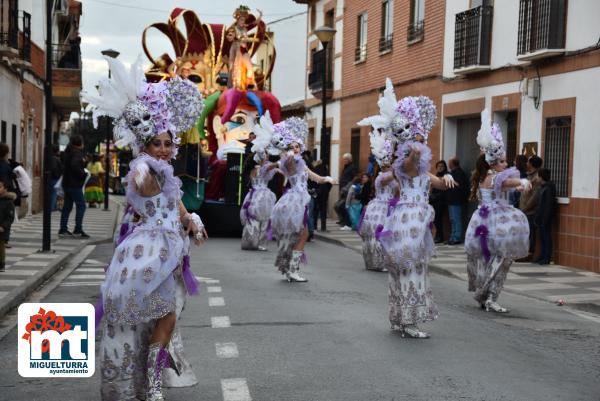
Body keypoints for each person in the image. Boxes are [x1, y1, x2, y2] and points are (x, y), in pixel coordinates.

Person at [82, 56, 205, 401]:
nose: (163, 149)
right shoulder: (144, 168)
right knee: (154, 316)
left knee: (168, 315)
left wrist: (192, 220)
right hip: (145, 253)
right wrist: (144, 169)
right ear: (145, 146)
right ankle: (149, 385)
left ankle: (151, 380)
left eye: (168, 144)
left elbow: (178, 207)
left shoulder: (168, 176)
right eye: (157, 144)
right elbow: (141, 181)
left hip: (170, 253)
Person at [369, 85, 454, 338]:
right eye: (405, 130)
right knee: (408, 268)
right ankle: (407, 321)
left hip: (418, 220)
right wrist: (411, 139)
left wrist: (446, 177)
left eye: (412, 128)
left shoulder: (420, 166)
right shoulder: (404, 165)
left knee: (414, 267)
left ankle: (401, 318)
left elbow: (435, 182)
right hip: (407, 221)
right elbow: (412, 161)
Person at [465, 110, 530, 313]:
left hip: (484, 221)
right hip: (497, 222)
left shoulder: (485, 177)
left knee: (489, 258)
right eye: (502, 161)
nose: (506, 163)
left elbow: (504, 187)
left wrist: (517, 186)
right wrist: (521, 181)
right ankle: (490, 296)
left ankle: (484, 294)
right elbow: (506, 182)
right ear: (493, 162)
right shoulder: (496, 177)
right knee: (501, 259)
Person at [269, 117, 334, 282]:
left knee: (300, 235)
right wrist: (286, 157)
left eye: (297, 146)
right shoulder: (289, 162)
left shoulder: (303, 164)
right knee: (301, 234)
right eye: (292, 147)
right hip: (294, 201)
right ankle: (292, 269)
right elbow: (288, 168)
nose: (295, 149)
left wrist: (327, 178)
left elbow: (315, 177)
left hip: (301, 200)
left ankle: (290, 268)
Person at [355, 128, 398, 272]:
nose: (390, 165)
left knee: (388, 235)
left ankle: (384, 261)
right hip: (380, 208)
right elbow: (394, 177)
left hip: (390, 206)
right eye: (388, 163)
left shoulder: (389, 175)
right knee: (378, 234)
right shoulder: (382, 177)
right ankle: (377, 262)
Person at [240, 113, 279, 251]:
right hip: (261, 197)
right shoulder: (261, 168)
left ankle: (253, 241)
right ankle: (257, 242)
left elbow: (273, 169)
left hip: (254, 196)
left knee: (257, 220)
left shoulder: (256, 168)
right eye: (265, 155)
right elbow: (272, 167)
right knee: (261, 220)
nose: (267, 156)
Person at [59, 135, 89, 238]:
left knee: (67, 207)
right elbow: (75, 165)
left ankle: (63, 229)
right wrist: (83, 174)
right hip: (74, 184)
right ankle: (78, 230)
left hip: (67, 183)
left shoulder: (68, 152)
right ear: (80, 143)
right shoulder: (77, 153)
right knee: (81, 206)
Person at [519, 154, 543, 259]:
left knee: (530, 233)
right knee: (525, 232)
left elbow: (534, 197)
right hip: (524, 210)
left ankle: (529, 253)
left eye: (528, 162)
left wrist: (524, 209)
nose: (526, 163)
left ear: (532, 164)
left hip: (530, 211)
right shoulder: (529, 176)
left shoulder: (536, 178)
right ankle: (524, 252)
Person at [534, 168, 556, 265]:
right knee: (542, 237)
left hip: (545, 218)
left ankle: (547, 257)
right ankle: (542, 256)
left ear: (541, 177)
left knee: (546, 237)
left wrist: (545, 218)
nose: (537, 178)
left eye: (538, 176)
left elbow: (548, 205)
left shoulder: (548, 188)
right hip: (541, 217)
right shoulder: (542, 187)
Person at [446, 157, 469, 244]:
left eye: (449, 163)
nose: (448, 164)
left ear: (453, 163)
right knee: (452, 219)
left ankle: (457, 237)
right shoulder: (453, 173)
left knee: (456, 219)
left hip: (456, 200)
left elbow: (459, 186)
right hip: (452, 200)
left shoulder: (459, 173)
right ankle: (452, 236)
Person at [334, 153, 357, 230]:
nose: (344, 161)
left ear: (349, 159)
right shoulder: (346, 167)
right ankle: (343, 221)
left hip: (348, 190)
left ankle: (348, 223)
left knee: (344, 206)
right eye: (343, 159)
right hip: (343, 189)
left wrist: (347, 188)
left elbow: (354, 179)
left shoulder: (352, 167)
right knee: (339, 206)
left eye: (345, 159)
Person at [430, 160, 448, 243]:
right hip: (434, 202)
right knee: (435, 220)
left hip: (441, 202)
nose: (440, 168)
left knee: (438, 220)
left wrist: (434, 197)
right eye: (439, 166)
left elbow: (444, 190)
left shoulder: (446, 176)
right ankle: (437, 236)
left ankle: (439, 236)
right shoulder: (436, 176)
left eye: (442, 166)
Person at [0, 178, 15, 272]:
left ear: (5, 189)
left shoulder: (8, 202)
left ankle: (1, 264)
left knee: (0, 247)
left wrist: (3, 226)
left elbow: (10, 217)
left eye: (0, 187)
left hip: (2, 229)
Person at [312, 159, 331, 232]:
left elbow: (312, 181)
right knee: (323, 210)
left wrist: (314, 190)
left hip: (316, 192)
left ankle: (314, 226)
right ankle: (323, 227)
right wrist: (327, 190)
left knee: (315, 209)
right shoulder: (326, 171)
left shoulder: (314, 170)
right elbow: (330, 181)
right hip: (324, 192)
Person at [49, 144, 63, 211]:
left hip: (53, 178)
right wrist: (57, 175)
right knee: (54, 193)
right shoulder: (55, 159)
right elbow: (54, 168)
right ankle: (52, 207)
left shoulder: (52, 158)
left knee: (54, 193)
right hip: (54, 178)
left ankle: (54, 206)